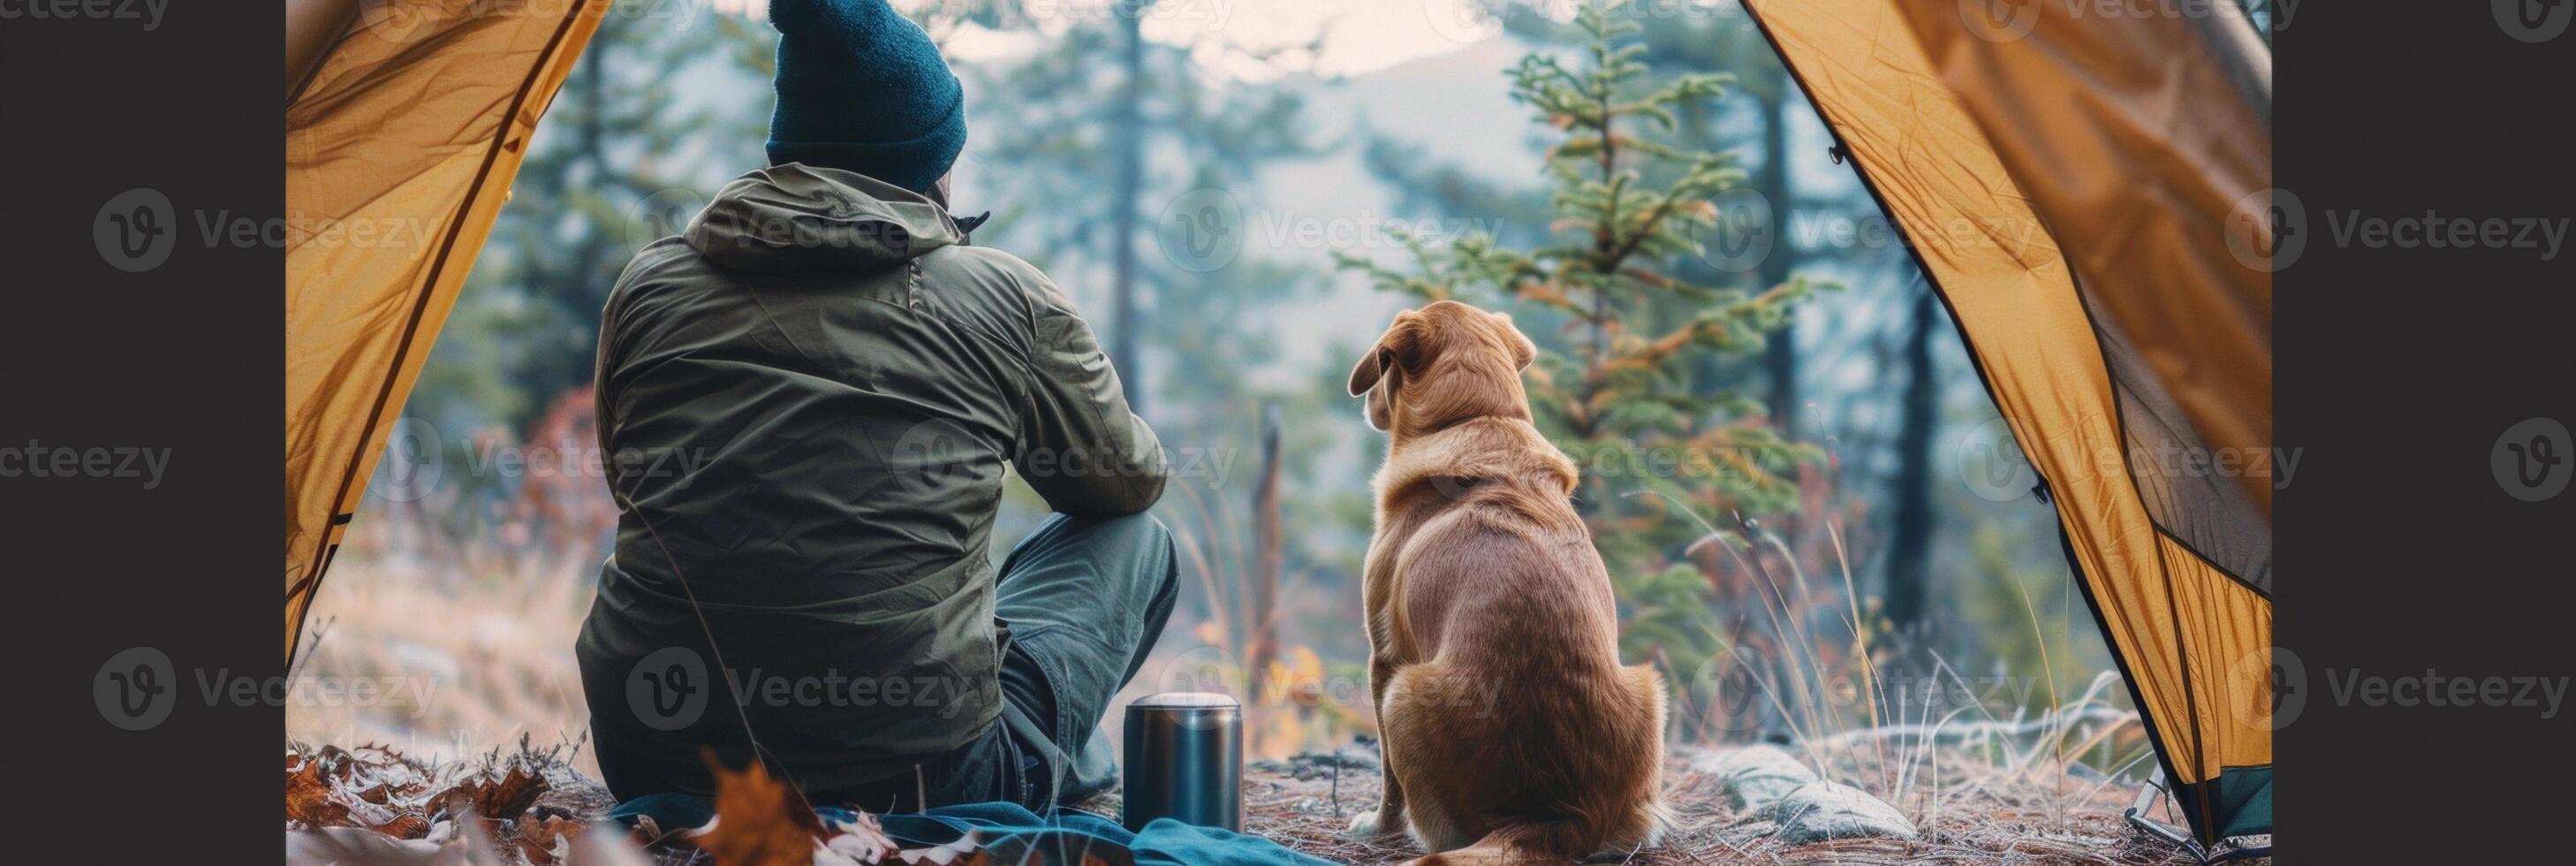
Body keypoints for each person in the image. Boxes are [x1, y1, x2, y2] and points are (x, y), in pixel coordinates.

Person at [576, 0, 1176, 813]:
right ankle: (1055, 772)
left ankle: (1047, 759)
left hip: (659, 752)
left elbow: (633, 481)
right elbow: (1124, 484)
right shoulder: (1004, 296)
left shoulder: (650, 284)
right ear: (929, 161)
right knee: (1139, 540)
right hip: (912, 780)